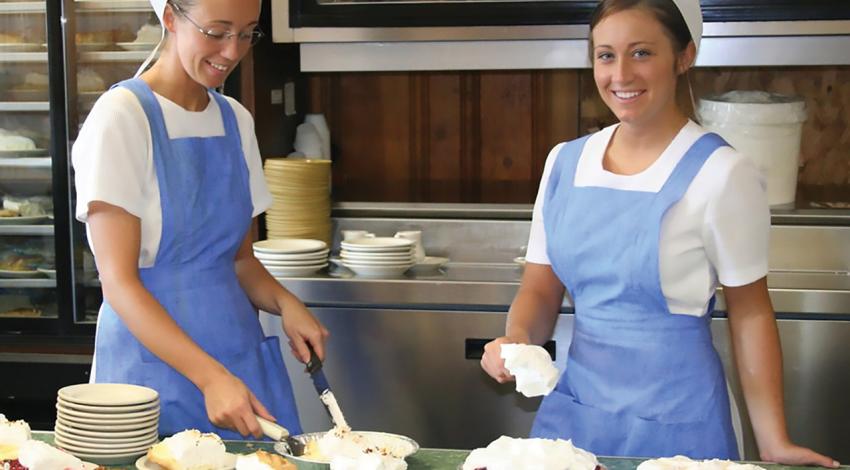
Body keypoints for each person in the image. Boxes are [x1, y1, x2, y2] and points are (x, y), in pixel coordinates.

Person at [480, 0, 838, 466]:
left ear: (684, 57)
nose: (621, 74)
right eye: (606, 55)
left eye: (642, 52)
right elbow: (541, 286)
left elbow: (750, 311)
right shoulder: (564, 163)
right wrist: (519, 341)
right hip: (576, 418)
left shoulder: (722, 173)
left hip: (682, 424)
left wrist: (773, 442)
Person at [72, 0, 329, 440]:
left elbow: (239, 261)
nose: (232, 51)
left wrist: (287, 303)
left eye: (247, 33)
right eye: (217, 31)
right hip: (152, 371)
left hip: (236, 354)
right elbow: (118, 281)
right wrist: (209, 377)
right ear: (170, 18)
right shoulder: (122, 118)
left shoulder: (235, 120)